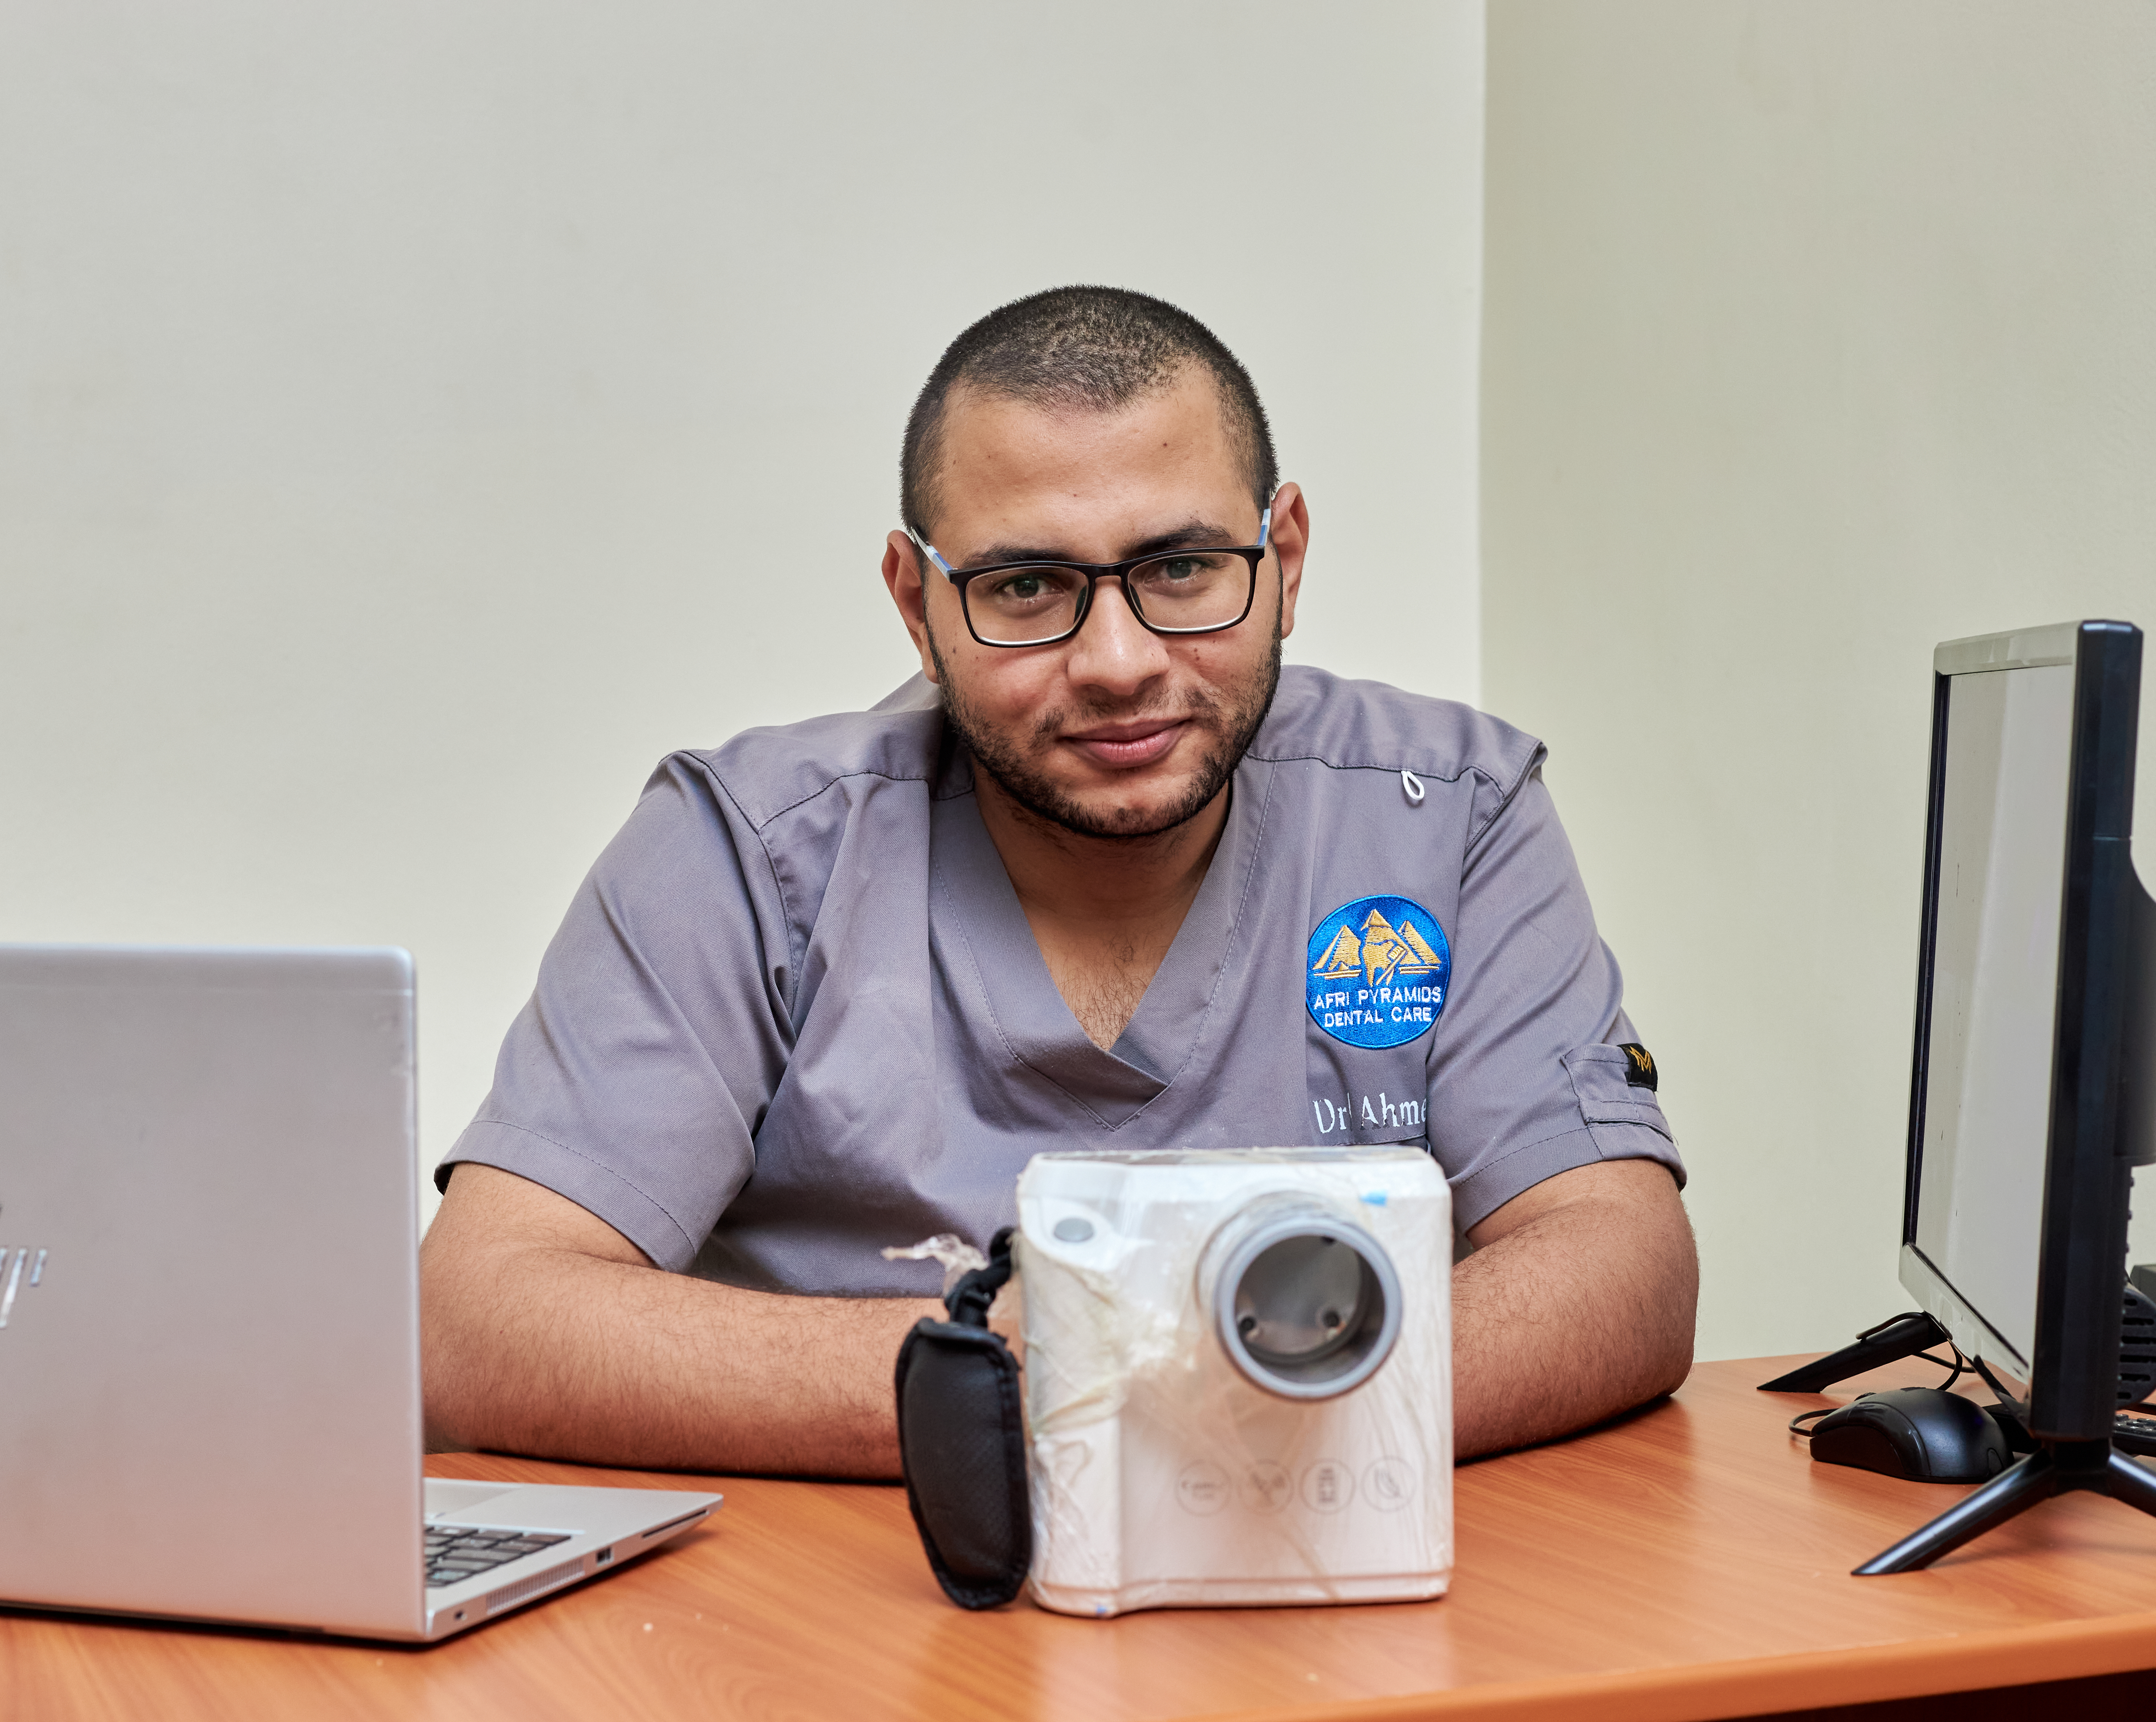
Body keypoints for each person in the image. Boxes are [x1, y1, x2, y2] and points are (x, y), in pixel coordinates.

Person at [422, 286, 1696, 1479]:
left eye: (1184, 569)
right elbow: (479, 1321)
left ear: (1286, 557)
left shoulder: (1444, 817)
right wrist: (1018, 1379)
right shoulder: (749, 852)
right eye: (1028, 587)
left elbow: (1620, 1267)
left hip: (1320, 1599)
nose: (1119, 660)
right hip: (866, 1631)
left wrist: (1154, 1383)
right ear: (917, 605)